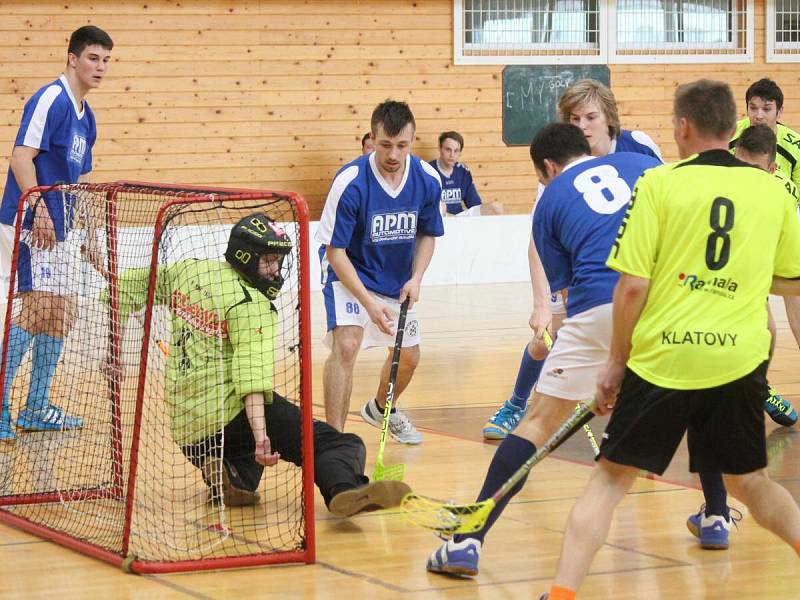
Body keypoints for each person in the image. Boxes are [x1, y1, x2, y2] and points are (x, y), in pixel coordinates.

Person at [541, 80, 800, 600]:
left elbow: (632, 284)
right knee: (751, 484)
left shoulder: (659, 184)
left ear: (682, 126)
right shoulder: (774, 191)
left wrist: (615, 362)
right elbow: (791, 280)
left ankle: (562, 595)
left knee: (610, 482)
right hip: (738, 359)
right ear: (735, 128)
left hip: (665, 360)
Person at [426, 123, 660, 577]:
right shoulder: (642, 165)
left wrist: (602, 363)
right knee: (708, 400)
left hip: (597, 306)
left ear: (548, 167)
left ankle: (468, 542)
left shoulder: (550, 201)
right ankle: (715, 512)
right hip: (668, 303)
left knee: (536, 422)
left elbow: (569, 296)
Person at [106, 213, 411, 516]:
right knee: (337, 444)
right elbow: (251, 379)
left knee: (247, 471)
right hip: (231, 415)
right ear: (245, 256)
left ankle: (230, 472)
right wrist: (263, 436)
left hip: (187, 428)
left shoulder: (189, 271)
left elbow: (126, 288)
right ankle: (346, 489)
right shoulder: (252, 305)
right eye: (268, 261)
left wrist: (113, 350)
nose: (275, 270)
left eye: (278, 261)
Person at [483, 78, 662, 440]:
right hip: (581, 262)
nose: (582, 126)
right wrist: (541, 302)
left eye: (590, 117)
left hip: (637, 262)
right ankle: (518, 403)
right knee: (552, 332)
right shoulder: (560, 164)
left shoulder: (637, 146)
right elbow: (540, 237)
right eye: (574, 118)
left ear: (609, 117)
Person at [0, 26, 114, 443]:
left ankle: (35, 407)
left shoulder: (89, 118)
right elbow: (20, 157)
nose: (100, 67)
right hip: (31, 224)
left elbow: (79, 183)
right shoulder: (52, 99)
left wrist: (92, 239)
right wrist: (38, 209)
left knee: (64, 314)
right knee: (37, 309)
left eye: (105, 60)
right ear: (71, 58)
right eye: (92, 58)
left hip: (61, 230)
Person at [316, 100, 443, 444]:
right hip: (349, 272)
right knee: (347, 344)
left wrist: (416, 278)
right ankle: (335, 442)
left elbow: (428, 234)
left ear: (411, 141)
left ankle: (378, 407)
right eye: (386, 144)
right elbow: (335, 252)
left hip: (396, 277)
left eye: (402, 145)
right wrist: (368, 305)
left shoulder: (427, 179)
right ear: (372, 139)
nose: (394, 153)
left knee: (410, 357)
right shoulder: (352, 182)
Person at [729, 77, 800, 428]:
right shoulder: (731, 138)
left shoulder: (794, 147)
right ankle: (761, 389)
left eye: (766, 109)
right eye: (753, 108)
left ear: (779, 111)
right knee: (763, 324)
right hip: (742, 242)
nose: (758, 115)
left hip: (783, 237)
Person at [429, 131, 503, 216]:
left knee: (496, 208)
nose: (452, 155)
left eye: (456, 151)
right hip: (440, 219)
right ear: (440, 148)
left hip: (459, 218)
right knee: (441, 207)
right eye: (448, 150)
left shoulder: (463, 171)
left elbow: (474, 204)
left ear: (460, 152)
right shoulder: (429, 171)